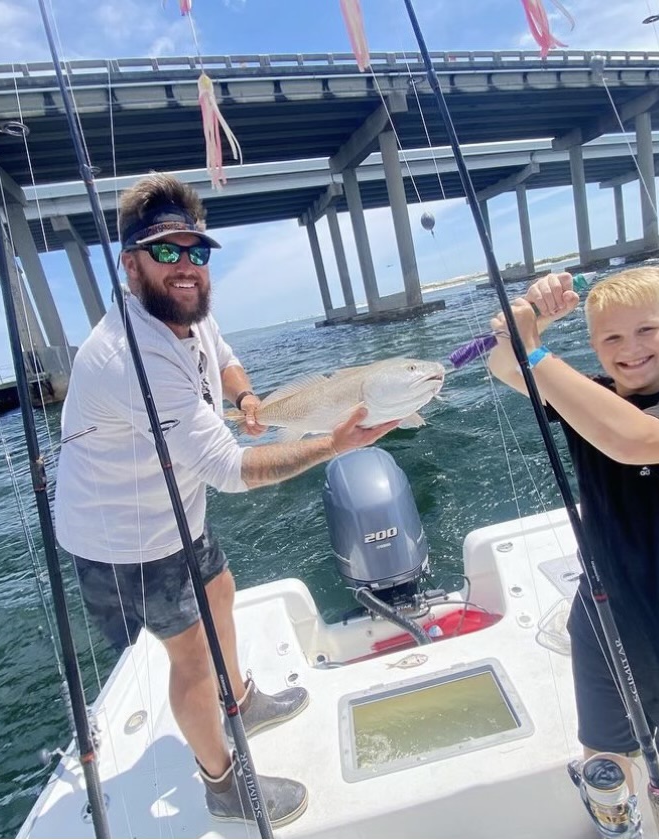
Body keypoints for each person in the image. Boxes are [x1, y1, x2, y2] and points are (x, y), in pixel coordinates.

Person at [53, 172, 400, 828]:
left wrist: (243, 398)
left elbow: (227, 355)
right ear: (130, 265)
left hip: (176, 507)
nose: (185, 265)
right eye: (164, 251)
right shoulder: (129, 355)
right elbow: (231, 469)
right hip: (125, 537)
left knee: (219, 589)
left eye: (195, 250)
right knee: (187, 650)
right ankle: (221, 784)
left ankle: (237, 693)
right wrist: (333, 443)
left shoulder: (185, 312)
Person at [486, 267, 659, 838]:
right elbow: (502, 364)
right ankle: (617, 824)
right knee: (605, 753)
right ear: (594, 347)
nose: (630, 350)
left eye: (646, 331)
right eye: (611, 339)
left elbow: (634, 441)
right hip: (603, 609)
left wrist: (536, 354)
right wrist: (529, 321)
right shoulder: (592, 397)